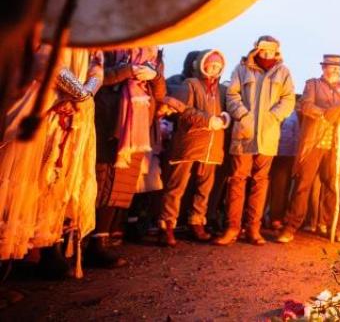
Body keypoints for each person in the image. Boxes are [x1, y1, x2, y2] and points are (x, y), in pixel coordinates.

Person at [0, 46, 102, 279]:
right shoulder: (52, 21)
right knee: (13, 188)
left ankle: (39, 254)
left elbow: (98, 67)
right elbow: (44, 61)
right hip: (37, 109)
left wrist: (85, 93)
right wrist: (81, 94)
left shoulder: (91, 36)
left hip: (67, 116)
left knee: (50, 185)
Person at [214, 36, 295, 246]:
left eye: (271, 50)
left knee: (260, 181)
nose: (267, 53)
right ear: (256, 49)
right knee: (237, 180)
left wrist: (274, 117)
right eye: (263, 49)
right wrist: (242, 115)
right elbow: (232, 95)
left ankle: (253, 228)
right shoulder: (241, 69)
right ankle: (232, 228)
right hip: (244, 133)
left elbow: (288, 99)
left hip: (268, 135)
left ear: (277, 51)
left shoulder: (283, 72)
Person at [90, 47, 166, 268]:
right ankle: (83, 241)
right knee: (100, 181)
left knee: (119, 187)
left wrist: (156, 76)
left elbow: (160, 94)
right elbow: (95, 79)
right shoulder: (108, 46)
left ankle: (101, 241)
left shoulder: (154, 55)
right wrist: (128, 70)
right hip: (107, 123)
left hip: (137, 128)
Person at [277, 55, 340, 244]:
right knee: (303, 185)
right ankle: (291, 226)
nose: (335, 70)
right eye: (332, 67)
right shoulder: (312, 85)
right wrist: (326, 113)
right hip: (314, 142)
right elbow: (306, 106)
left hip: (336, 144)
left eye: (338, 67)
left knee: (332, 187)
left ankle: (334, 227)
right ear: (324, 67)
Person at [158, 49, 229, 246]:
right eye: (211, 64)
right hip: (189, 141)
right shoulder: (190, 84)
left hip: (212, 144)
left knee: (204, 187)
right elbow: (183, 110)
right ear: (201, 65)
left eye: (218, 65)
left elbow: (227, 111)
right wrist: (208, 120)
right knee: (176, 185)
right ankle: (167, 225)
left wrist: (225, 119)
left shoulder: (222, 90)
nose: (214, 68)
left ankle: (197, 222)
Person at [266, 95, 301, 230]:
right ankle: (255, 217)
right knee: (262, 184)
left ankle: (276, 217)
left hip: (285, 154)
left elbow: (296, 135)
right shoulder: (270, 106)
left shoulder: (293, 114)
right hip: (267, 150)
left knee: (281, 187)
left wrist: (295, 155)